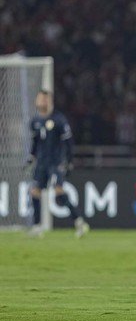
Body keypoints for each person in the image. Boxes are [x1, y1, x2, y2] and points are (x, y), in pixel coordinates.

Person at [26, 90, 90, 239]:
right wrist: (31, 157)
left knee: (59, 191)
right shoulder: (35, 121)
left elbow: (68, 142)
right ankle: (37, 227)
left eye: (44, 99)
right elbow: (35, 143)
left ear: (50, 101)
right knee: (35, 192)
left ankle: (79, 221)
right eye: (40, 98)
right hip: (41, 163)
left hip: (55, 162)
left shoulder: (59, 120)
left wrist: (69, 161)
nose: (42, 101)